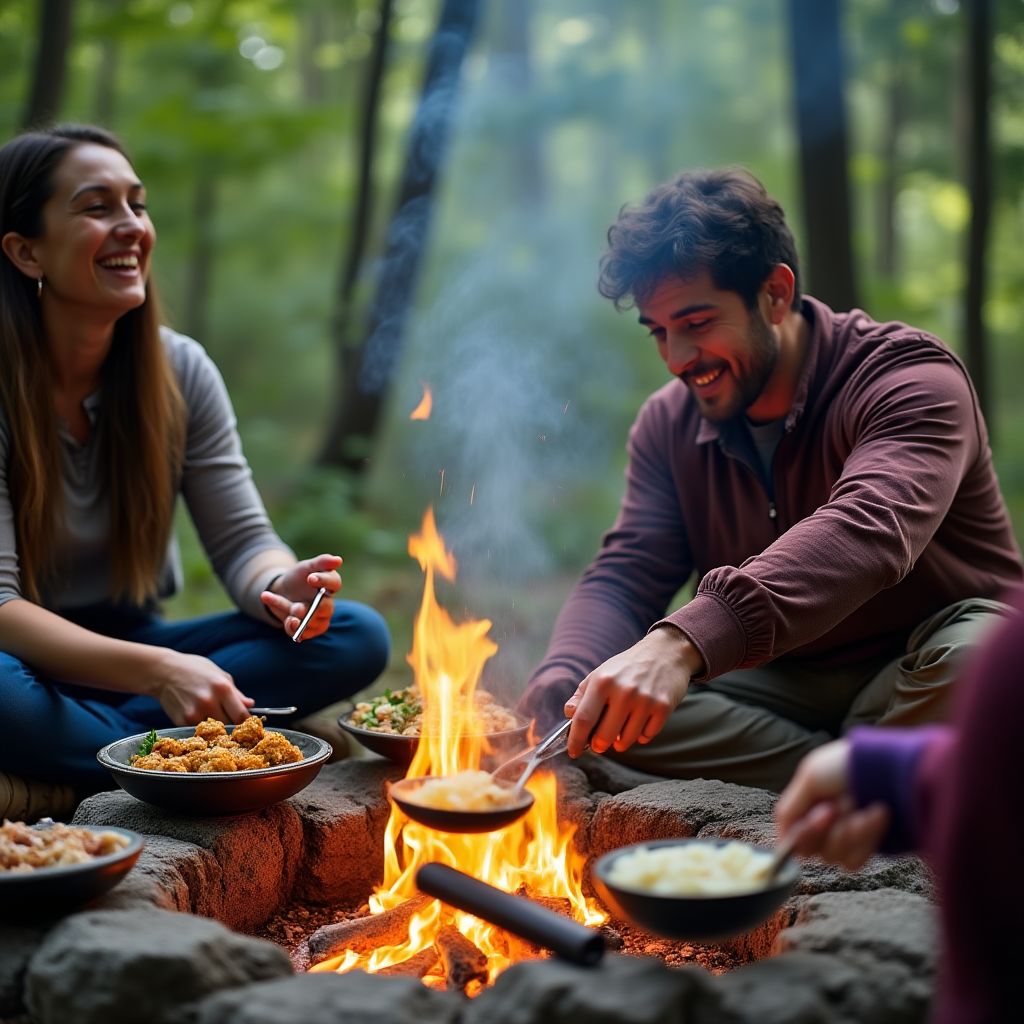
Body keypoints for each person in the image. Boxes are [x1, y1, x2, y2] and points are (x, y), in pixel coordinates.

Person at [518, 167, 1022, 791]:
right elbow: (628, 574)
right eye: (659, 332)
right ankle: (855, 776)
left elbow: (867, 531)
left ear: (775, 295)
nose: (676, 359)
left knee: (986, 660)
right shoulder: (666, 426)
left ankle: (853, 773)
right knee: (600, 711)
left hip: (919, 663)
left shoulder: (911, 379)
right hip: (780, 683)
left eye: (697, 324)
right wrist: (563, 681)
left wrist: (680, 644)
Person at [0, 124, 391, 796]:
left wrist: (282, 588)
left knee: (355, 634)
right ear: (25, 251)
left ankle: (88, 750)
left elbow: (243, 542)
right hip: (21, 656)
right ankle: (180, 750)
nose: (130, 226)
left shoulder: (180, 371)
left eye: (138, 205)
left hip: (133, 638)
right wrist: (158, 673)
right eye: (97, 208)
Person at [775, 584, 1024, 1024]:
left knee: (969, 652)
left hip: (923, 653)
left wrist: (688, 638)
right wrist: (891, 775)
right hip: (781, 669)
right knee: (640, 704)